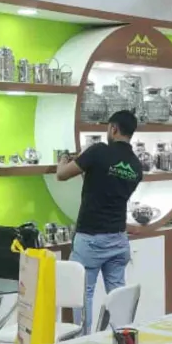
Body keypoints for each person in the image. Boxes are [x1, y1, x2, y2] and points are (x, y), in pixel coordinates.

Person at [56, 110, 142, 331]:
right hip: (118, 239)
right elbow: (107, 185)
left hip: (91, 239)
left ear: (113, 128)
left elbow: (62, 175)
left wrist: (62, 161)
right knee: (118, 295)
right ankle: (121, 339)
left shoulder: (98, 151)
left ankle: (84, 342)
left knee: (83, 295)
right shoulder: (136, 165)